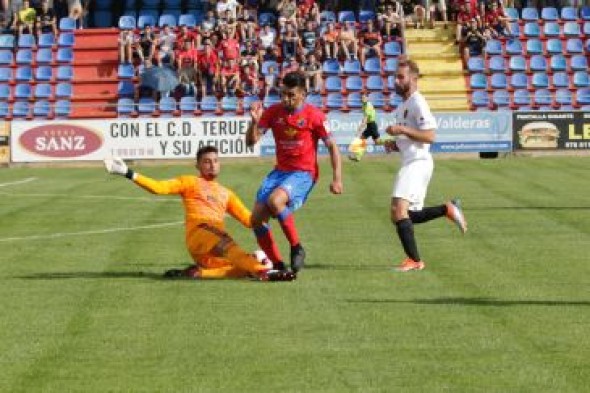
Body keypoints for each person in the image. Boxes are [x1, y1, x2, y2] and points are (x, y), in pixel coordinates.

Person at [103, 146, 295, 281]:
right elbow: (158, 188)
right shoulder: (190, 182)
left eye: (215, 161)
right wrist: (128, 172)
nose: (212, 165)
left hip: (206, 251)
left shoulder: (226, 193)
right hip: (202, 232)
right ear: (198, 166)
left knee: (239, 269)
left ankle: (199, 273)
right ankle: (266, 271)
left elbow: (249, 220)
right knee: (237, 253)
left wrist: (271, 210)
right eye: (206, 162)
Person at [245, 71, 343, 273]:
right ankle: (278, 265)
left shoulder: (315, 116)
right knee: (256, 219)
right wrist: (254, 121)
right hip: (280, 172)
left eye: (292, 95)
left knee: (275, 201)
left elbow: (332, 146)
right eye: (283, 94)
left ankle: (297, 248)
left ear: (303, 94)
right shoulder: (273, 112)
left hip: (303, 173)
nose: (286, 99)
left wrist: (337, 179)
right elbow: (251, 142)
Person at [383, 57, 467, 272]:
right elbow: (412, 138)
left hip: (418, 163)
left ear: (413, 78)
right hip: (412, 160)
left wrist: (401, 131)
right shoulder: (403, 105)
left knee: (397, 210)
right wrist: (395, 144)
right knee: (406, 215)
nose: (396, 81)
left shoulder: (418, 102)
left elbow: (430, 136)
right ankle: (446, 209)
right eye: (395, 76)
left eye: (400, 77)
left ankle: (414, 260)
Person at [348, 94, 381, 162]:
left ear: (367, 98)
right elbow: (365, 118)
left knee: (377, 142)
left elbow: (365, 119)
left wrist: (360, 127)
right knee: (361, 139)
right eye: (362, 98)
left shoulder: (368, 105)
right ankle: (358, 157)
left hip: (372, 126)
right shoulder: (364, 105)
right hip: (369, 125)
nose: (363, 99)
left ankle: (392, 142)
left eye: (364, 97)